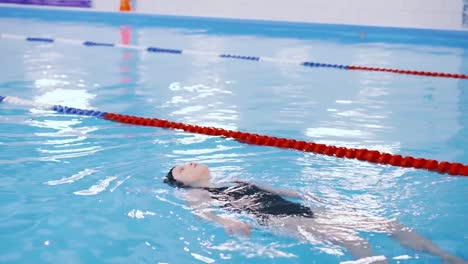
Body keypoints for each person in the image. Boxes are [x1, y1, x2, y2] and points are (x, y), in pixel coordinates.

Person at [163, 162, 466, 264]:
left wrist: (315, 198)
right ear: (181, 182)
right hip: (280, 220)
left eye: (189, 161)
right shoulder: (198, 194)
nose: (189, 164)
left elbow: (287, 192)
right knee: (355, 242)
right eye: (181, 168)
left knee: (390, 224)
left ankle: (445, 256)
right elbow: (203, 214)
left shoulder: (239, 179)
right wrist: (227, 220)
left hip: (304, 210)